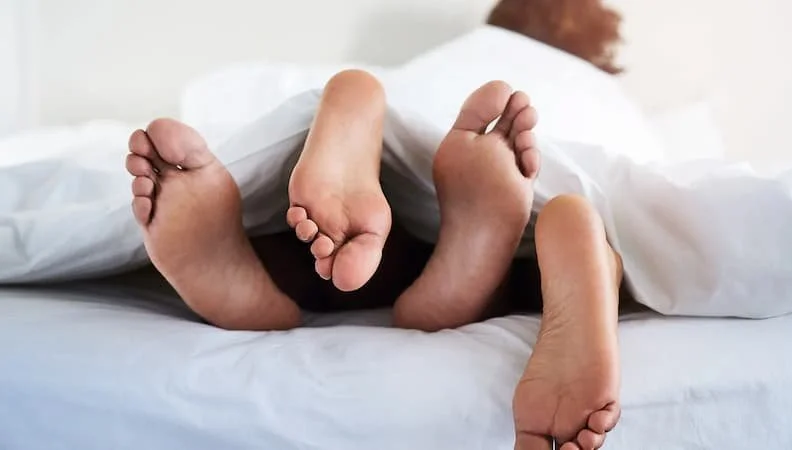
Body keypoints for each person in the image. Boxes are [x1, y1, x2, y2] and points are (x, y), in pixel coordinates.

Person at [125, 69, 623, 450]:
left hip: (316, 246)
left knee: (305, 243)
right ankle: (539, 266)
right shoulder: (587, 81)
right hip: (444, 243)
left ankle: (241, 274)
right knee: (563, 256)